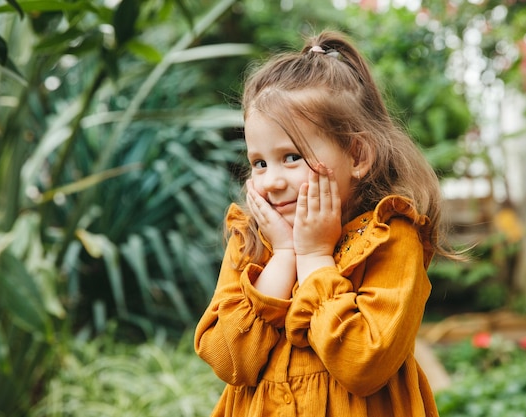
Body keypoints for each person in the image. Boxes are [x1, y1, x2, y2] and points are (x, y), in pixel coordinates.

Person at [194, 29, 456, 417]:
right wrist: (284, 255)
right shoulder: (253, 241)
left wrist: (315, 256)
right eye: (259, 163)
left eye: (292, 157)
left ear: (357, 156)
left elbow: (364, 362)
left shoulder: (391, 238)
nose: (272, 180)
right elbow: (231, 361)